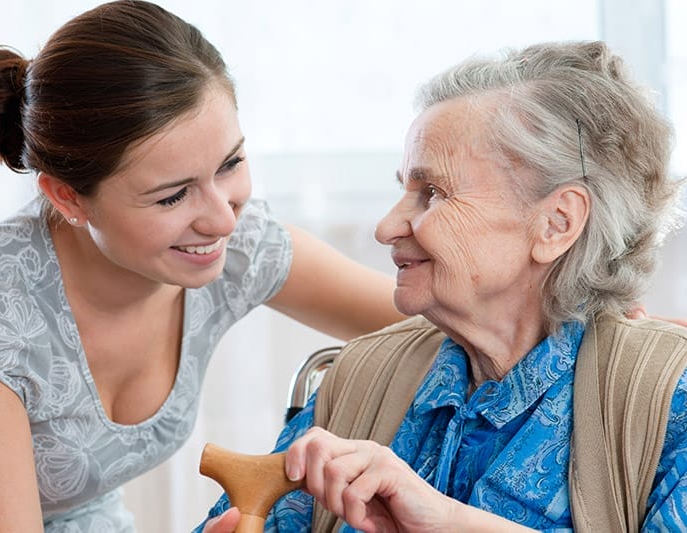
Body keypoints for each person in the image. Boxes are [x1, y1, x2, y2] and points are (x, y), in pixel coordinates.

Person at [0, 1, 407, 531]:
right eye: (172, 197)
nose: (222, 220)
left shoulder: (239, 245)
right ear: (68, 197)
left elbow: (427, 319)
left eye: (230, 164)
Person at [200, 40, 687, 532]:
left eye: (432, 192)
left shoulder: (668, 398)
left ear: (557, 223)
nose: (386, 226)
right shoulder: (363, 377)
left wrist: (446, 522)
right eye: (403, 190)